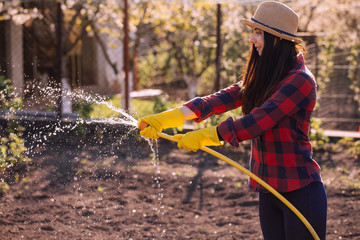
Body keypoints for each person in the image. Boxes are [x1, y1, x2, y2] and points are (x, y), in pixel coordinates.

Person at [138, 1, 327, 239]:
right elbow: (219, 100)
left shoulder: (301, 80)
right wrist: (167, 118)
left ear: (276, 40)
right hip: (268, 189)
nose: (252, 40)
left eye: (258, 33)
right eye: (253, 32)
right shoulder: (265, 75)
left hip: (300, 192)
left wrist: (208, 136)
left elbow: (260, 120)